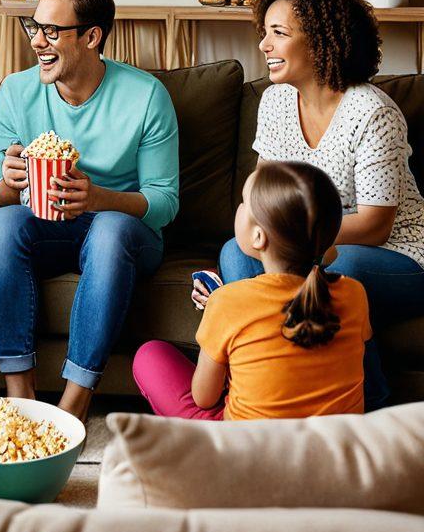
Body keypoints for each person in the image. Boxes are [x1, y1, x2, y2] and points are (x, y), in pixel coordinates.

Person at [203, 0, 424, 406]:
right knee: (234, 253)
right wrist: (265, 237)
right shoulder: (275, 100)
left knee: (346, 276)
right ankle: (272, 399)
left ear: (321, 41)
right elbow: (262, 192)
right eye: (265, 31)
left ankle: (367, 412)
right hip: (308, 245)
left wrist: (293, 241)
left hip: (395, 253)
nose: (264, 45)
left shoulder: (372, 113)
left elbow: (376, 226)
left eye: (279, 33)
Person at [0, 0, 179, 421]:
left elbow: (165, 202)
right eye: (34, 28)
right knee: (2, 224)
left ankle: (74, 402)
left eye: (52, 31)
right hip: (46, 226)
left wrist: (99, 198)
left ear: (92, 36)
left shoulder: (146, 96)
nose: (37, 43)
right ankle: (21, 398)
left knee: (108, 230)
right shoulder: (15, 92)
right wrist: (9, 184)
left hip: (125, 236)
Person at [134, 161, 370, 420]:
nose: (239, 207)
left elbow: (204, 397)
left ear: (259, 237)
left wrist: (220, 316)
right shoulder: (354, 293)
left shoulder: (227, 303)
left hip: (249, 449)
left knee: (149, 356)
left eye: (244, 202)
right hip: (333, 445)